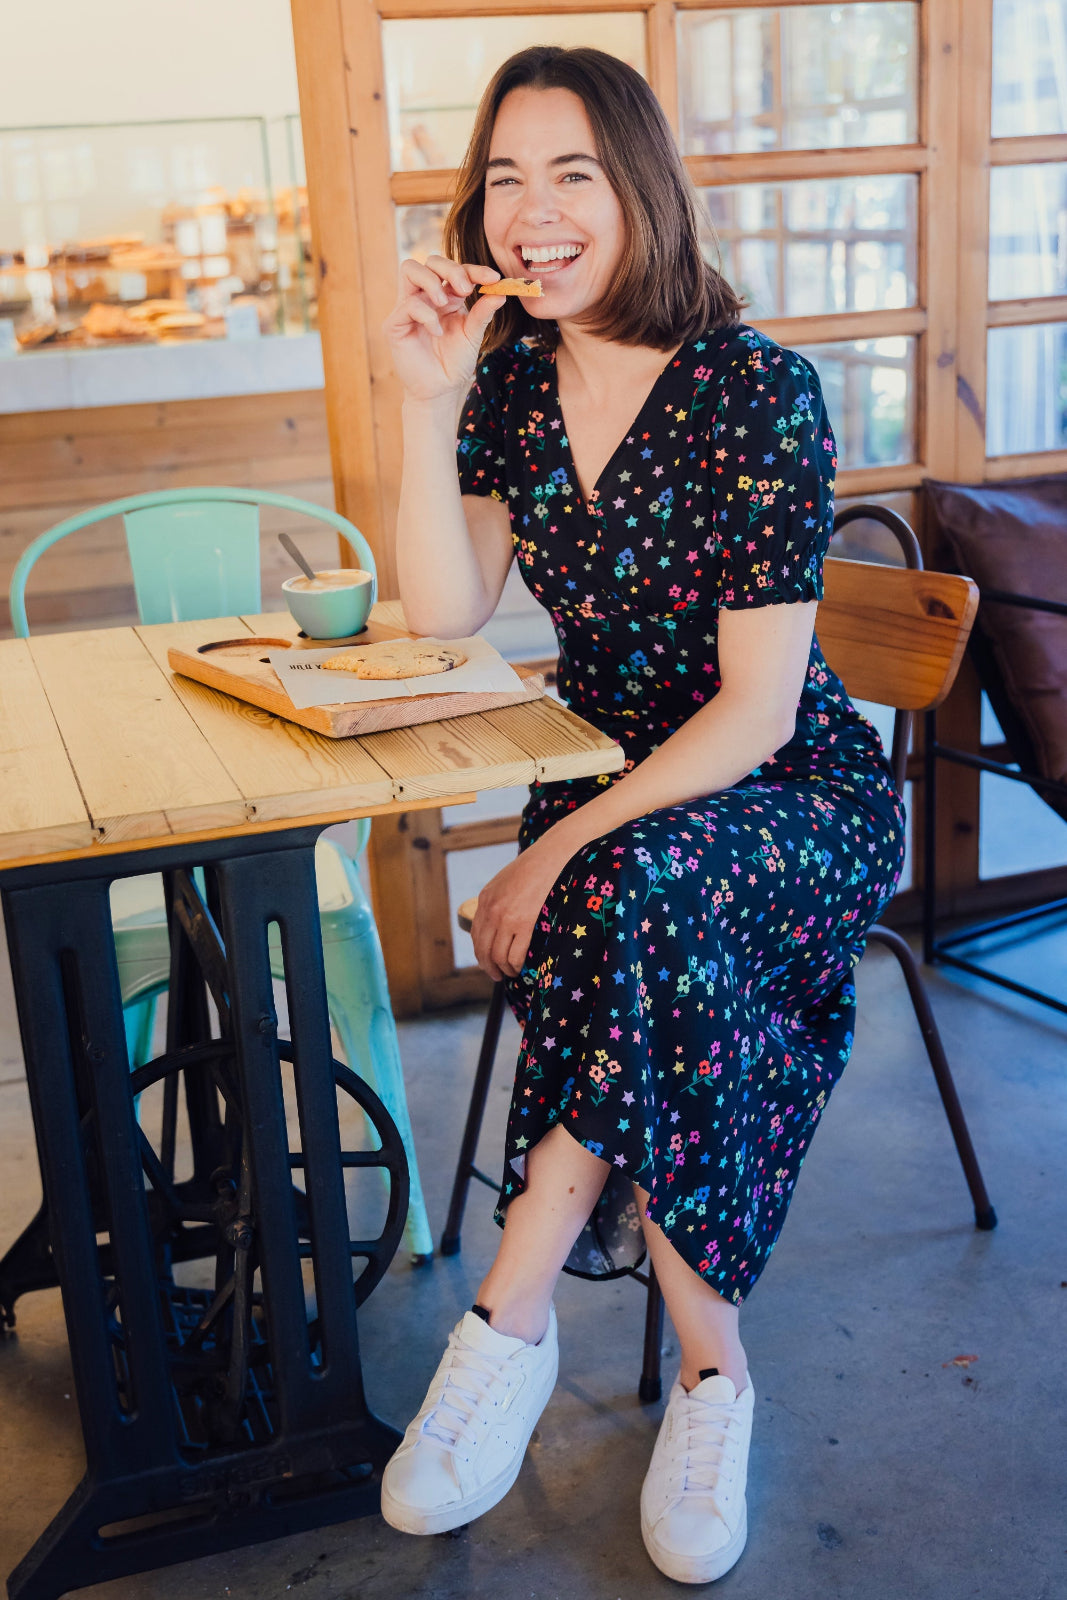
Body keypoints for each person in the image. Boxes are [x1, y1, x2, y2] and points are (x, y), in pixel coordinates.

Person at [379, 44, 905, 1585]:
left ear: (642, 192)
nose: (531, 212)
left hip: (784, 790)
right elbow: (442, 610)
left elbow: (753, 709)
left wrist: (549, 845)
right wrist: (424, 402)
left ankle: (508, 1319)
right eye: (503, 178)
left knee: (643, 891)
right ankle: (713, 1372)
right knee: (649, 915)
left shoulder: (756, 391)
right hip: (626, 808)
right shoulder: (513, 392)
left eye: (572, 174)